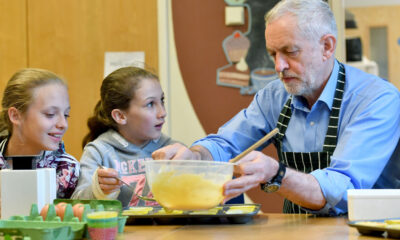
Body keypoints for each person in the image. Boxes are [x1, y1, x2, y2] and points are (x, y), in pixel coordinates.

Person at [152, 0, 400, 215]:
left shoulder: (376, 99)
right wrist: (193, 157)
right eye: (273, 54)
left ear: (327, 47)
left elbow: (343, 189)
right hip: (296, 230)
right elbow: (226, 144)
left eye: (290, 52)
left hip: (363, 232)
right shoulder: (274, 97)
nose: (279, 66)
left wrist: (277, 173)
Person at [71, 66, 178, 207]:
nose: (162, 112)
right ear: (120, 116)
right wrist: (98, 190)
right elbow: (76, 203)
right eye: (150, 104)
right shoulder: (98, 152)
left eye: (162, 101)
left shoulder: (173, 149)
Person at [0, 68, 80, 198]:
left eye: (66, 115)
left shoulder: (68, 169)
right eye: (50, 114)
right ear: (15, 115)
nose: (63, 124)